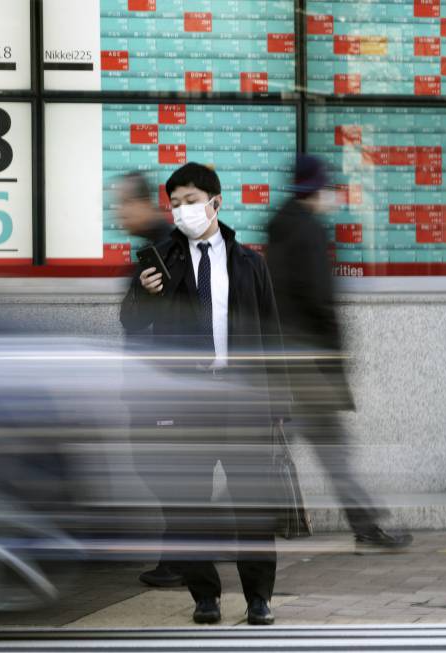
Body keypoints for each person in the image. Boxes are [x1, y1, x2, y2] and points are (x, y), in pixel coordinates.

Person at [120, 162, 288, 626]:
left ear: (215, 202)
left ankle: (258, 597)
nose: (182, 211)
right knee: (188, 504)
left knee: (252, 506)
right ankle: (205, 596)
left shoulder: (250, 262)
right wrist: (142, 293)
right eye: (174, 204)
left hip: (242, 398)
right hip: (185, 402)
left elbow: (270, 334)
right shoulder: (162, 259)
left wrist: (280, 406)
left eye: (190, 201)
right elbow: (131, 323)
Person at [266, 154, 412, 552]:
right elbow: (320, 300)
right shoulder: (309, 232)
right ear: (316, 188)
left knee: (285, 448)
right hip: (313, 364)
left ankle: (366, 525)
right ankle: (367, 528)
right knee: (333, 452)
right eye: (327, 186)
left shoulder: (277, 228)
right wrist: (338, 356)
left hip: (284, 359)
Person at [114, 171, 187, 591]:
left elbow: (142, 318)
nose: (119, 212)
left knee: (162, 469)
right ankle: (182, 551)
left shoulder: (163, 248)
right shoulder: (155, 246)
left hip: (159, 384)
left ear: (142, 204)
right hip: (155, 382)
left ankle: (179, 558)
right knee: (160, 469)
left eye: (123, 203)